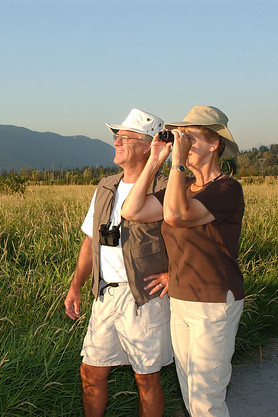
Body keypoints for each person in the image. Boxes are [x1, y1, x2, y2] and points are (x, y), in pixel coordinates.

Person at [120, 105, 245, 417]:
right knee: (191, 397)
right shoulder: (185, 187)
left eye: (191, 137)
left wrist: (176, 163)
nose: (184, 143)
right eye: (182, 138)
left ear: (215, 143)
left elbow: (177, 216)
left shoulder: (227, 189)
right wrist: (154, 161)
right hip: (181, 298)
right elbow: (132, 210)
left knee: (207, 400)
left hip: (214, 301)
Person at [64, 108, 173, 417]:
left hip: (144, 296)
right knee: (91, 373)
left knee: (147, 379)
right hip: (106, 294)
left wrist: (173, 274)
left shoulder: (165, 188)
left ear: (148, 145)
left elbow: (189, 240)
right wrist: (76, 288)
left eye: (125, 137)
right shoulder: (106, 187)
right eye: (116, 136)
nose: (116, 142)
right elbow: (90, 240)